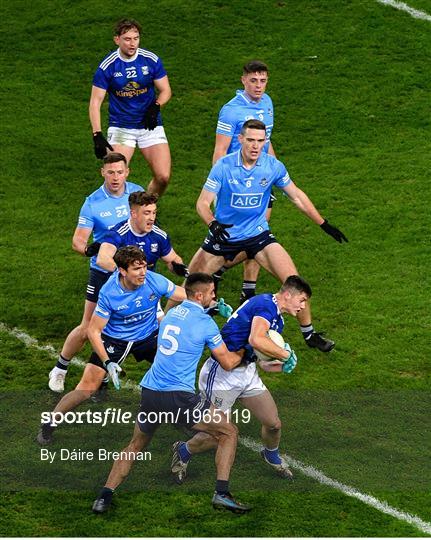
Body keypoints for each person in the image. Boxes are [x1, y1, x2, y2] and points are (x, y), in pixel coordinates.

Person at [92, 272, 251, 514]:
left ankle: (104, 496)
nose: (215, 296)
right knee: (229, 432)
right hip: (179, 397)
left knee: (135, 445)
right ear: (200, 295)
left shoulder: (171, 315)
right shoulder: (206, 324)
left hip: (150, 392)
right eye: (212, 293)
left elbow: (189, 325)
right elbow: (228, 362)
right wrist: (245, 351)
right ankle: (221, 493)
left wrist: (210, 309)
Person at [188, 118, 348, 352]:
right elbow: (202, 203)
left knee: (295, 282)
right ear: (240, 139)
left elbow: (296, 196)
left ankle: (309, 334)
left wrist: (323, 223)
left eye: (260, 141)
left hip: (258, 235)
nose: (255, 146)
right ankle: (163, 327)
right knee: (188, 285)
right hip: (225, 236)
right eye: (250, 140)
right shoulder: (223, 166)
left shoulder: (273, 166)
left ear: (266, 141)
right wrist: (212, 224)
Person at [38, 247, 186, 446]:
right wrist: (107, 362)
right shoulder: (110, 292)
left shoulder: (154, 280)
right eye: (136, 269)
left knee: (176, 371)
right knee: (87, 388)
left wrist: (209, 303)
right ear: (122, 271)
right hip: (115, 340)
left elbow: (185, 295)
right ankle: (49, 424)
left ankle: (186, 419)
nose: (143, 273)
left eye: (143, 267)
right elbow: (93, 331)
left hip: (149, 336)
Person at [170, 275, 311, 484]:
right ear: (288, 295)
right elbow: (256, 339)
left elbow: (261, 360)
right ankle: (183, 450)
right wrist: (285, 354)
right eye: (302, 300)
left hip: (247, 373)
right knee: (216, 435)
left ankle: (271, 455)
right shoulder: (266, 306)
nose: (303, 306)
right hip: (222, 376)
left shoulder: (277, 319)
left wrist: (282, 366)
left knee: (273, 423)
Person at [48, 153, 144, 393]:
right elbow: (78, 240)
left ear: (127, 173)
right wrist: (89, 249)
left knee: (123, 326)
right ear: (103, 172)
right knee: (87, 327)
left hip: (130, 274)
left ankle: (100, 372)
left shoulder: (136, 194)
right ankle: (60, 369)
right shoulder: (93, 202)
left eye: (119, 172)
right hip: (103, 272)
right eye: (110, 172)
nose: (115, 177)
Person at [212, 60, 276, 303]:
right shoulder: (231, 111)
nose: (259, 86)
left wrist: (274, 172)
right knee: (237, 235)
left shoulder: (268, 102)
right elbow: (220, 150)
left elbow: (267, 142)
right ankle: (217, 267)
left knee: (260, 231)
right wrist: (219, 184)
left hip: (261, 179)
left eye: (263, 81)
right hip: (236, 181)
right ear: (243, 80)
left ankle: (248, 288)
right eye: (253, 81)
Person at [89, 18, 171, 196]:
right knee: (116, 178)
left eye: (136, 38)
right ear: (117, 40)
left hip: (150, 124)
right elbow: (95, 102)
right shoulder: (107, 67)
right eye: (127, 39)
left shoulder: (150, 60)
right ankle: (119, 217)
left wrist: (156, 106)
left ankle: (147, 210)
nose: (132, 43)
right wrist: (97, 134)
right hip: (121, 126)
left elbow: (165, 90)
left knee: (163, 177)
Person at [96, 191, 189, 280]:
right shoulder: (118, 234)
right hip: (121, 288)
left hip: (147, 288)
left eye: (154, 212)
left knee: (182, 295)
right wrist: (128, 275)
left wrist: (179, 267)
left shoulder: (159, 236)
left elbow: (172, 259)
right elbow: (102, 259)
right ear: (134, 214)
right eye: (147, 213)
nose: (152, 218)